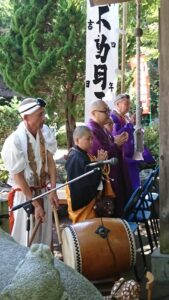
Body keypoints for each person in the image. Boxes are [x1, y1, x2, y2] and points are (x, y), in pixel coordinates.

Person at [1, 98, 59, 247]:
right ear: (25, 117)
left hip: (43, 192)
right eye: (39, 115)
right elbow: (18, 175)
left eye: (43, 114)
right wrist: (34, 203)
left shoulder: (45, 133)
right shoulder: (14, 141)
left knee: (44, 241)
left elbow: (51, 161)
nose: (43, 118)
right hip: (24, 197)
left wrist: (53, 189)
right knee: (24, 240)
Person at [88, 100, 132, 217]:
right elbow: (101, 154)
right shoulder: (92, 130)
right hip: (107, 178)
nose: (108, 113)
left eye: (108, 110)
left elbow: (109, 146)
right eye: (105, 111)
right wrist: (115, 144)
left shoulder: (101, 128)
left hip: (115, 174)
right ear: (93, 113)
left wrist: (116, 141)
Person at [110, 93, 155, 190]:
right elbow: (117, 136)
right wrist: (130, 124)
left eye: (129, 104)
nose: (128, 106)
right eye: (126, 104)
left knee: (134, 183)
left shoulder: (124, 117)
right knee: (129, 184)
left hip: (130, 155)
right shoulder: (113, 117)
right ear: (118, 104)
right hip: (123, 156)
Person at [65, 125, 108, 223]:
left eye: (92, 139)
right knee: (84, 231)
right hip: (82, 204)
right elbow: (82, 183)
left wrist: (98, 163)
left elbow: (88, 172)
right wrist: (99, 164)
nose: (91, 142)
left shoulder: (82, 154)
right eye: (88, 139)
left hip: (88, 201)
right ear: (77, 140)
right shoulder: (76, 158)